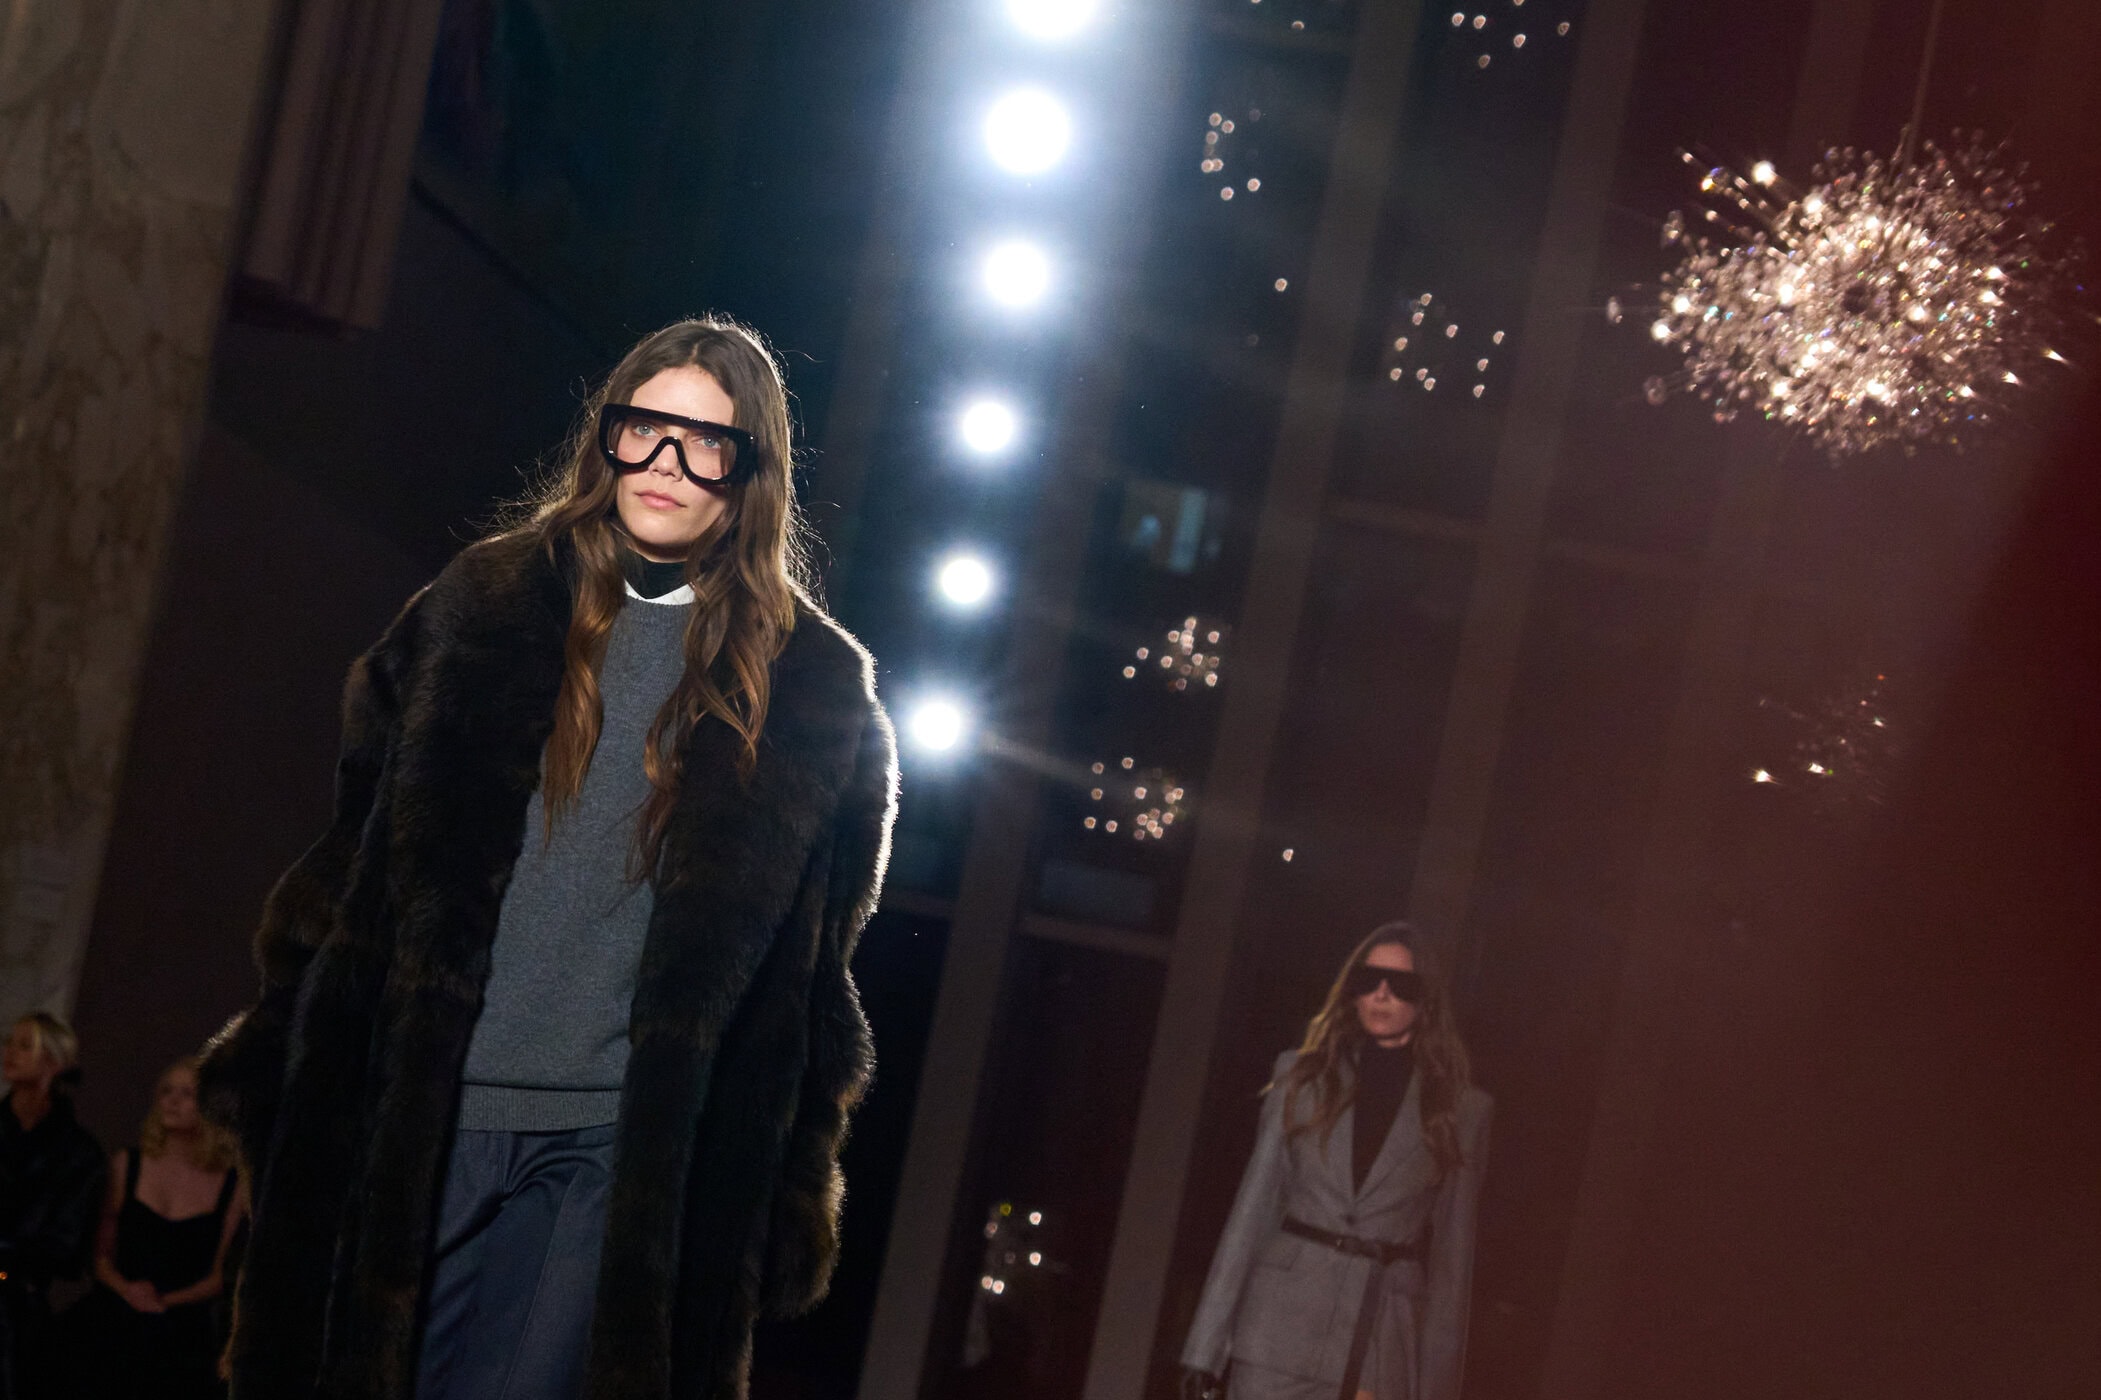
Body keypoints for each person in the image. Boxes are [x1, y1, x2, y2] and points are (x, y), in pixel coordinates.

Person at [196, 316, 898, 1398]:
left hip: (608, 1145)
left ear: (749, 472)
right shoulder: (481, 608)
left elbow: (811, 988)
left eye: (704, 442)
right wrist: (277, 1065)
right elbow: (343, 867)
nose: (664, 462)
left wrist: (791, 1188)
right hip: (421, 1105)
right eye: (643, 428)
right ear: (605, 436)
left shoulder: (810, 693)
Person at [1181, 922, 1492, 1400]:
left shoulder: (1462, 1110)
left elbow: (1453, 1266)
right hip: (1277, 1331)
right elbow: (1253, 1212)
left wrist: (1437, 1390)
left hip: (1379, 1344)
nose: (1382, 994)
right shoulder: (1301, 1077)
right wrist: (1204, 1350)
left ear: (1426, 998)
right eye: (1369, 981)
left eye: (1401, 984)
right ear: (1352, 990)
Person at [63, 1058, 246, 1399]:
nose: (172, 1101)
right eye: (166, 1091)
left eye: (186, 1094)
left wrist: (163, 1301)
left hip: (184, 1326)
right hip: (117, 1311)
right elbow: (100, 1256)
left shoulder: (231, 1185)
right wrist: (130, 1292)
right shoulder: (127, 1165)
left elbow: (219, 1277)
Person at [0, 1012, 106, 1400]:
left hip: (17, 1308)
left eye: (25, 1045)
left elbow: (65, 1246)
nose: (10, 1052)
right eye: (10, 1043)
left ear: (54, 1062)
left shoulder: (78, 1153)